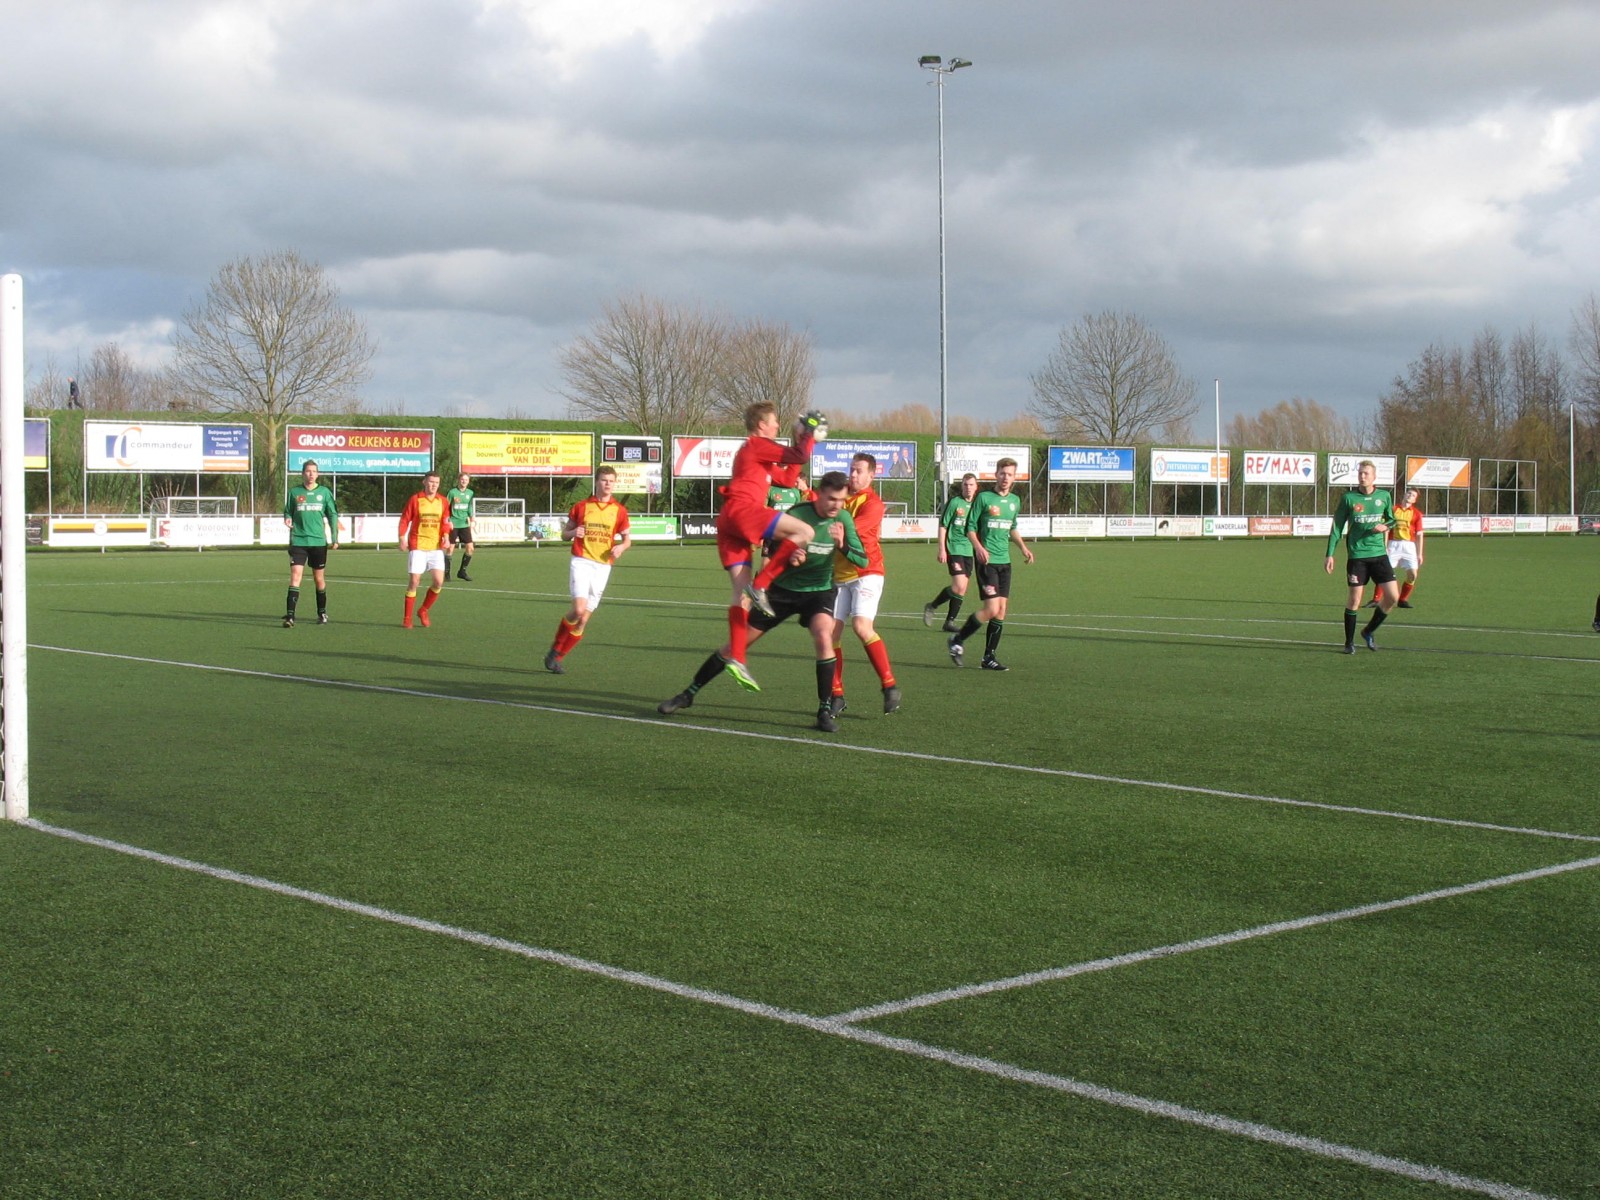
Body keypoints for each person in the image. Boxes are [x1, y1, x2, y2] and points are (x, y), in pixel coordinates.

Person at [660, 472, 866, 732]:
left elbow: (863, 560)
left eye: (841, 500)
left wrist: (843, 545)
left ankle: (825, 711)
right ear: (819, 493)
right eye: (831, 499)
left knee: (824, 636)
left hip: (819, 592)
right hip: (782, 591)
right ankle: (687, 694)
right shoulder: (798, 515)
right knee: (737, 644)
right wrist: (790, 555)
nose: (836, 505)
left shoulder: (844, 519)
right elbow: (771, 547)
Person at [713, 402, 820, 691]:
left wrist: (801, 441)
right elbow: (798, 454)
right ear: (761, 425)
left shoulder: (755, 451)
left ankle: (736, 658)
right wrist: (807, 434)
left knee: (740, 596)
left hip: (728, 520)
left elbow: (786, 478)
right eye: (774, 422)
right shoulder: (758, 444)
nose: (776, 426)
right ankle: (762, 584)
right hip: (742, 511)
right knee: (805, 531)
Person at [830, 452, 900, 716]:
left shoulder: (873, 504)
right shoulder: (840, 496)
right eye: (852, 469)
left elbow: (847, 529)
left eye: (859, 471)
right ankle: (837, 695)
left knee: (861, 626)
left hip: (866, 571)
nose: (853, 474)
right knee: (829, 634)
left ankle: (889, 685)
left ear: (872, 475)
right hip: (839, 574)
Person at [947, 458, 1034, 671]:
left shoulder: (1014, 500)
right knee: (992, 608)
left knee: (1002, 610)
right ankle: (957, 639)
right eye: (1002, 473)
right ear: (996, 474)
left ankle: (988, 657)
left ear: (1015, 477)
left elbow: (1012, 527)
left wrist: (1023, 547)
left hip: (1005, 561)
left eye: (1010, 474)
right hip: (987, 561)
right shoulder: (984, 498)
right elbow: (970, 527)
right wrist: (978, 547)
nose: (1006, 478)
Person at [544, 466, 632, 674]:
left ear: (614, 483)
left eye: (611, 480)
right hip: (582, 561)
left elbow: (628, 539)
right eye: (603, 480)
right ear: (596, 482)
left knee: (583, 620)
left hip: (603, 566)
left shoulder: (619, 510)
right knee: (578, 610)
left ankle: (557, 658)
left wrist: (621, 546)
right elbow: (564, 535)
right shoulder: (582, 507)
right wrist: (574, 531)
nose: (607, 484)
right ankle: (555, 648)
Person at [1324, 460, 1399, 653]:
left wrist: (1386, 526)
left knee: (1392, 597)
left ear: (1374, 477)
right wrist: (1330, 553)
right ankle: (1349, 643)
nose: (1362, 476)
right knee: (1355, 600)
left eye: (1366, 473)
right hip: (1357, 557)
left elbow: (1392, 519)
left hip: (1380, 555)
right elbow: (1337, 527)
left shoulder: (1384, 496)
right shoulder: (1349, 498)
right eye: (1360, 473)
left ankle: (1368, 631)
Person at [282, 459, 338, 627]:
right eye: (308, 471)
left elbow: (332, 514)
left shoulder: (325, 493)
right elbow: (287, 511)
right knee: (295, 576)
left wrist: (334, 538)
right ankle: (290, 616)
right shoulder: (294, 492)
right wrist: (287, 518)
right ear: (302, 474)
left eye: (314, 471)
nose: (311, 474)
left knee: (318, 579)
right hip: (298, 540)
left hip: (318, 542)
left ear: (318, 474)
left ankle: (322, 613)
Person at [923, 472, 979, 633]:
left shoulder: (977, 505)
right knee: (959, 585)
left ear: (976, 487)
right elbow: (943, 525)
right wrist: (942, 549)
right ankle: (932, 606)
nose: (968, 488)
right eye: (965, 485)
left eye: (971, 485)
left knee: (960, 589)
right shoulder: (955, 503)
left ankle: (948, 621)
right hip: (954, 548)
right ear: (961, 486)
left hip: (969, 551)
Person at [397, 471, 453, 628]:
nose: (433, 485)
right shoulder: (415, 499)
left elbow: (445, 522)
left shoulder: (442, 501)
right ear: (424, 482)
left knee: (438, 582)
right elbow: (405, 519)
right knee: (414, 581)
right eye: (431, 482)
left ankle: (423, 610)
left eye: (436, 482)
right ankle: (407, 618)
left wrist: (446, 536)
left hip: (436, 548)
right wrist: (402, 537)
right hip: (418, 546)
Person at [1384, 486, 1424, 608]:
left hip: (1409, 546)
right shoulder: (1393, 509)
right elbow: (1386, 529)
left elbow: (1419, 535)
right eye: (1409, 493)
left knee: (1413, 574)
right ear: (1405, 494)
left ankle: (1403, 599)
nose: (1410, 496)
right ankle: (1376, 599)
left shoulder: (1416, 514)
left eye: (1413, 495)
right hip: (1393, 544)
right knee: (1385, 572)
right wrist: (1384, 546)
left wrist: (1419, 553)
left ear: (1414, 500)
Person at [444, 472, 476, 581]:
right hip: (453, 523)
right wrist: (448, 520)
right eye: (462, 479)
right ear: (459, 480)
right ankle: (446, 573)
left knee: (470, 548)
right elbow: (445, 507)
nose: (464, 482)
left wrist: (472, 518)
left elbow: (469, 507)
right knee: (450, 549)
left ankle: (462, 572)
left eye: (466, 480)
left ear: (468, 481)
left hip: (464, 524)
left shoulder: (470, 493)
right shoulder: (452, 492)